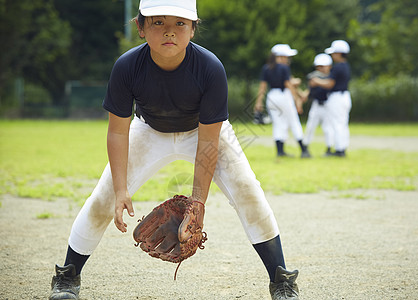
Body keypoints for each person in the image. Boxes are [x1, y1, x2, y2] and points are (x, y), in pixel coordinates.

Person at [48, 1, 300, 300]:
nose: (170, 31)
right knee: (103, 199)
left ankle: (281, 280)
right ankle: (67, 277)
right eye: (158, 23)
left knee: (248, 191)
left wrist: (198, 203)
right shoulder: (127, 67)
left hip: (201, 132)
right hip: (148, 130)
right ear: (140, 28)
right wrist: (120, 190)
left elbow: (208, 142)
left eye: (180, 23)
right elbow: (117, 130)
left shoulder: (209, 68)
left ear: (193, 29)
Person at [254, 44, 310, 158]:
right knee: (293, 121)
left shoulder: (266, 67)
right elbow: (288, 84)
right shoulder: (284, 68)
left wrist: (258, 102)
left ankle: (280, 151)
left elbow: (262, 87)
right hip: (283, 96)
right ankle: (304, 150)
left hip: (271, 97)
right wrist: (297, 100)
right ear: (280, 56)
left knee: (278, 124)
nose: (288, 59)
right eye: (286, 56)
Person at [309, 40, 352, 157]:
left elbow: (329, 84)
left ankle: (339, 150)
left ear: (339, 53)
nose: (332, 56)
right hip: (345, 96)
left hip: (336, 97)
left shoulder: (337, 67)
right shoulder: (346, 66)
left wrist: (316, 81)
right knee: (343, 123)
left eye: (334, 53)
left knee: (337, 124)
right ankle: (342, 147)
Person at [301, 53, 334, 156]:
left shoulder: (331, 77)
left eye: (322, 66)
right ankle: (305, 148)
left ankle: (329, 148)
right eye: (318, 66)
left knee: (328, 128)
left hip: (328, 105)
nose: (320, 69)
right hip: (316, 105)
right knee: (310, 126)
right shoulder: (313, 77)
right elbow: (310, 90)